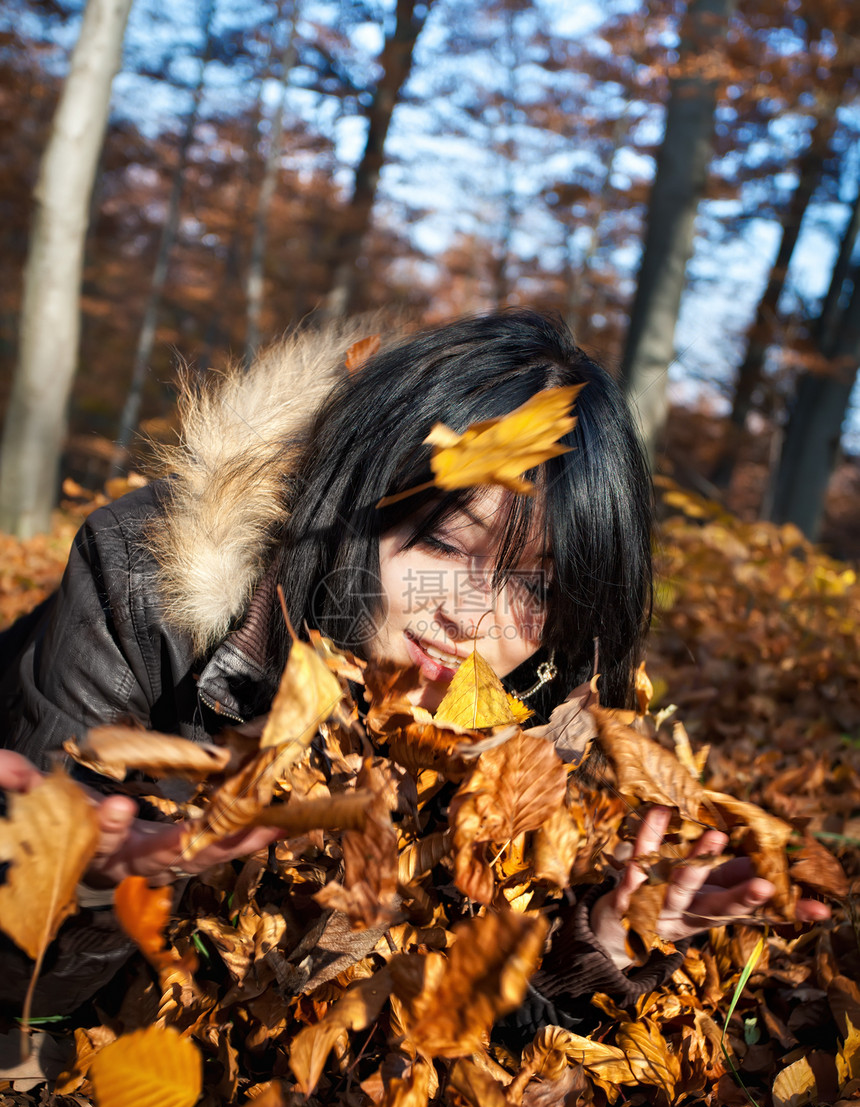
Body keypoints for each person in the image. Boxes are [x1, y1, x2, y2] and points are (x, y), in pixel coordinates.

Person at [0, 310, 828, 1015]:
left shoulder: (540, 700)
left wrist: (613, 934)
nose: (468, 618)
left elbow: (450, 999)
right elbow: (23, 993)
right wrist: (89, 885)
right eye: (441, 544)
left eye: (534, 588)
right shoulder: (147, 585)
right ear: (356, 503)